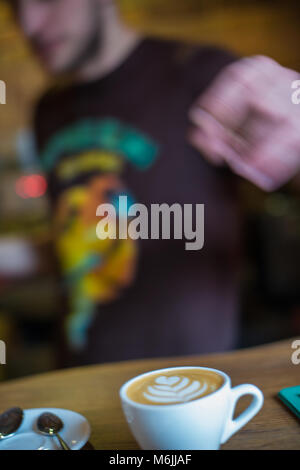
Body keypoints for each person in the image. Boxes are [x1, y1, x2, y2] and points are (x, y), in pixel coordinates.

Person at [7, 0, 300, 367]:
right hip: (77, 374)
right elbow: (78, 242)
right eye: (14, 8)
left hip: (188, 383)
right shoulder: (48, 108)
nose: (30, 24)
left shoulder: (202, 74)